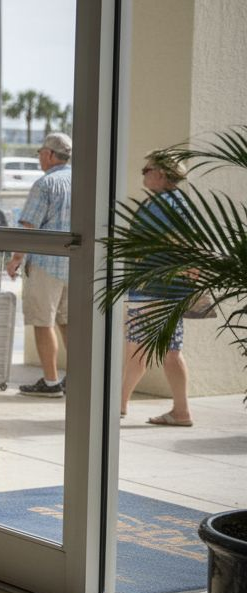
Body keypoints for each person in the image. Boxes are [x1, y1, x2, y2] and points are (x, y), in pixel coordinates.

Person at [120, 150, 195, 427]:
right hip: (168, 290)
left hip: (153, 289)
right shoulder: (180, 203)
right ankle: (122, 404)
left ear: (161, 174)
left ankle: (179, 410)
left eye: (146, 170)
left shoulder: (160, 206)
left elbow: (143, 245)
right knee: (151, 348)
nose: (143, 174)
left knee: (150, 349)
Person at [7, 132, 73, 397]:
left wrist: (15, 260)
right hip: (74, 264)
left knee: (43, 322)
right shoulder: (84, 181)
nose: (39, 159)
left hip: (46, 265)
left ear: (48, 154)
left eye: (40, 154)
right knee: (68, 323)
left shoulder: (46, 184)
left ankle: (50, 381)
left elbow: (29, 226)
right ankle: (77, 377)